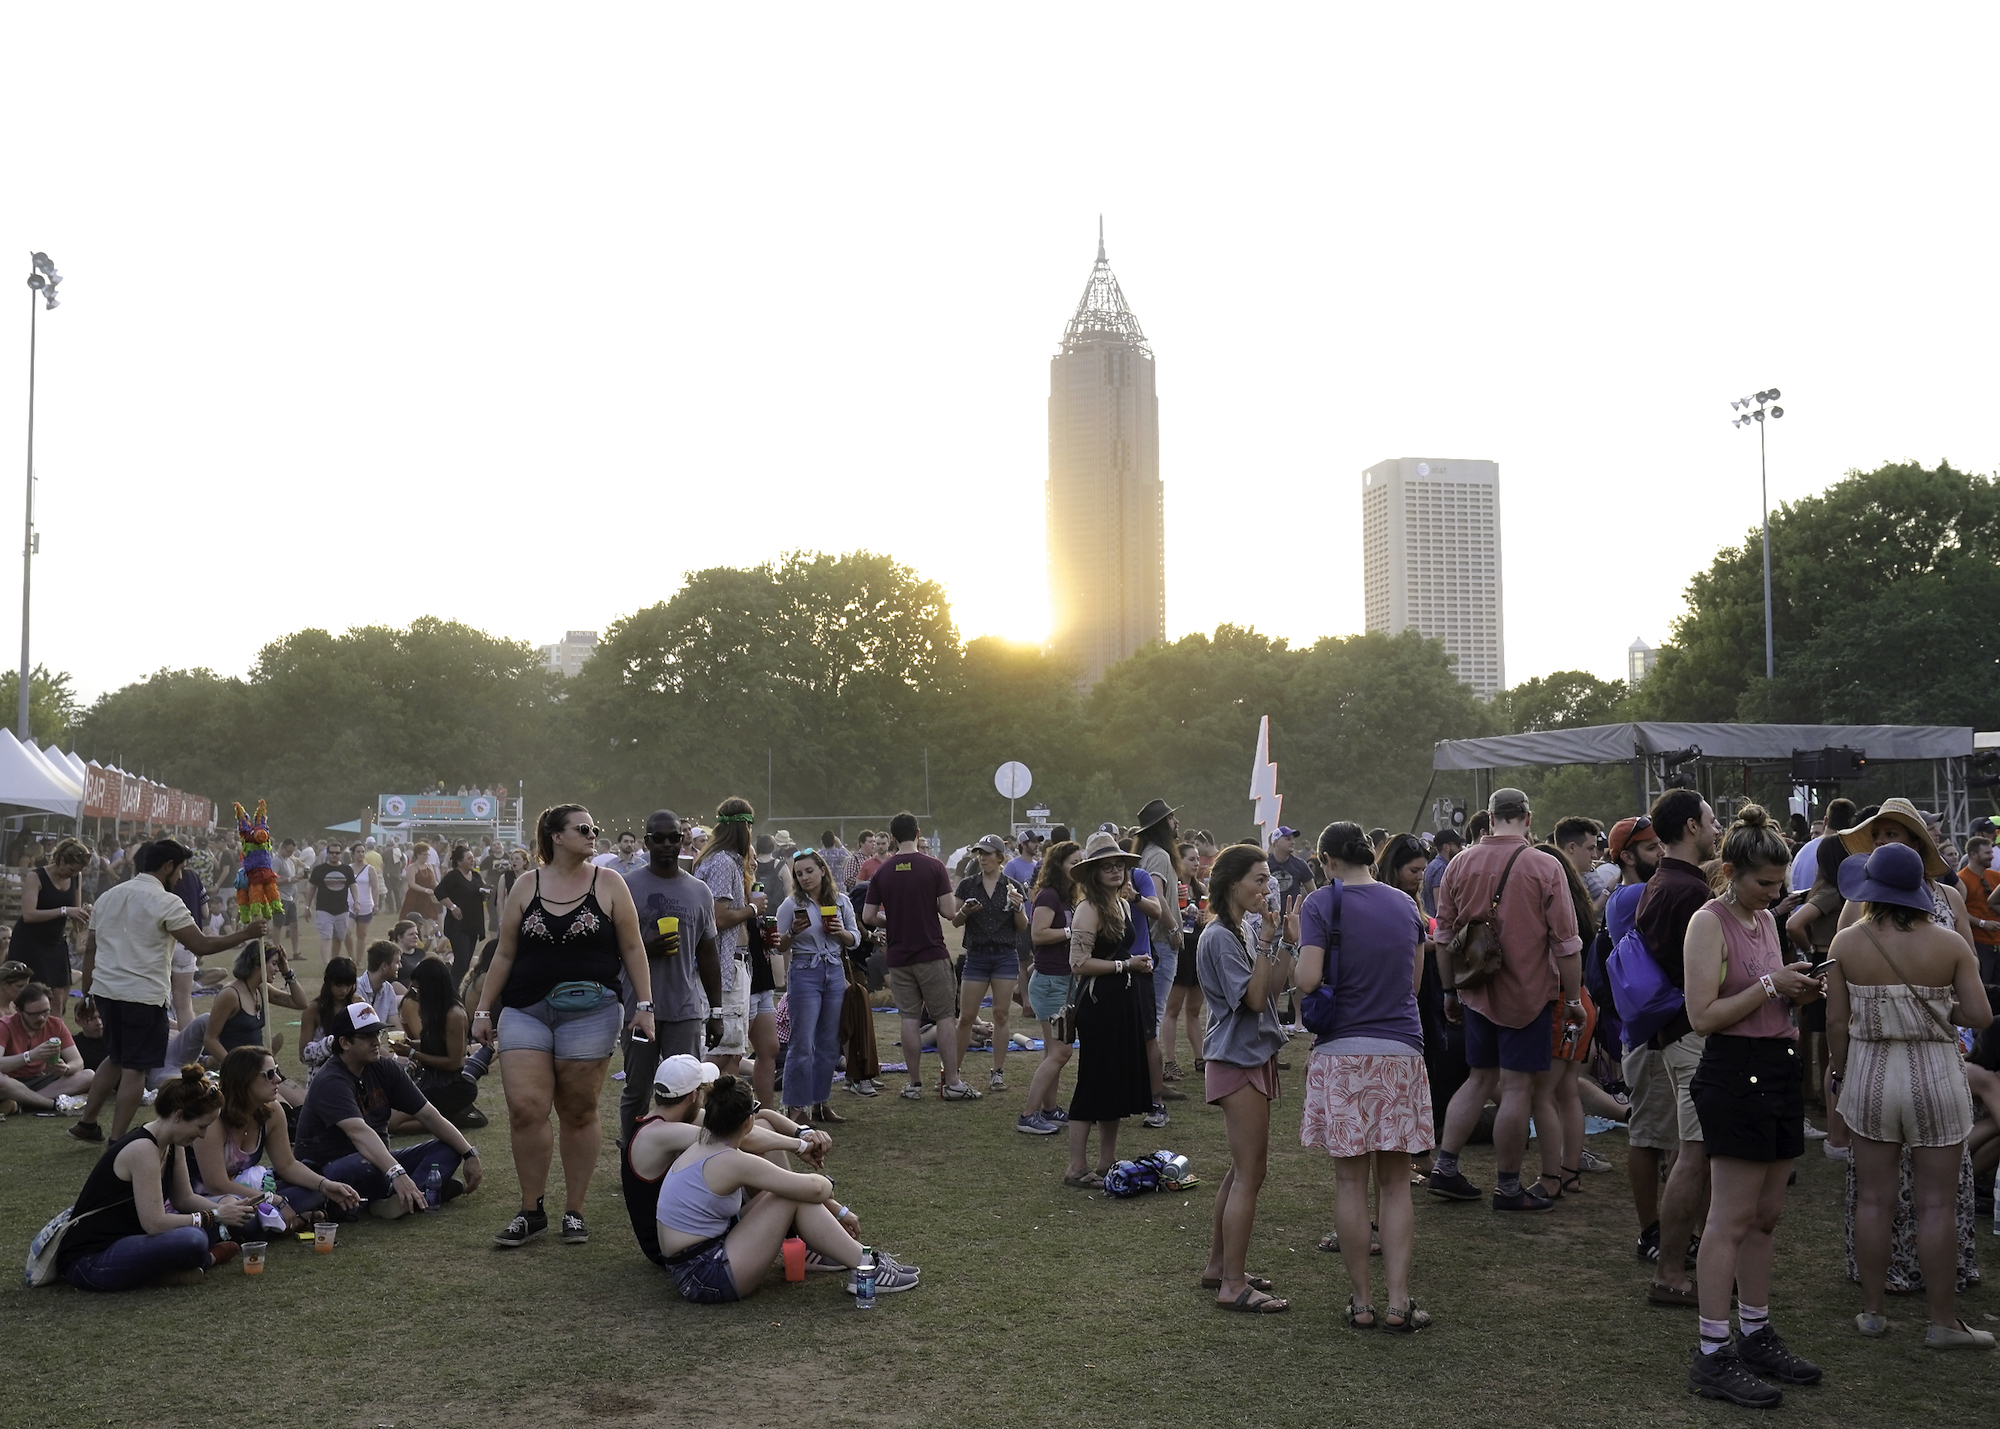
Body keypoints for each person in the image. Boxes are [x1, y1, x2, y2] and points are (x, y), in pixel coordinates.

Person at [1681, 806, 1826, 1407]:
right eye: (1764, 882)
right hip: (1735, 1072)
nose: (1774, 892)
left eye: (1779, 881)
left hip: (1778, 1066)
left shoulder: (1764, 919)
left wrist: (1794, 988)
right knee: (1730, 1219)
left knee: (1765, 1216)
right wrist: (1771, 986)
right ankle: (1713, 1351)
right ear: (1732, 872)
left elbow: (1761, 996)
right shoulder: (1708, 921)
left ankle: (1756, 1332)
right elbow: (1702, 1016)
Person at [1829, 840, 1994, 1348]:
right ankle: (1942, 1322)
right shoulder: (1950, 945)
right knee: (1937, 1205)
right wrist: (1940, 1008)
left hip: (1870, 1073)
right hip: (1936, 1076)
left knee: (1873, 1200)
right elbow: (1980, 1015)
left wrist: (1840, 1070)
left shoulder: (1846, 944)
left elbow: (1836, 1021)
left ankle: (1873, 1312)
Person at [474, 804, 654, 1248]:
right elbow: (504, 953)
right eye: (583, 828)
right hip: (525, 1009)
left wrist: (645, 1005)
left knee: (577, 1109)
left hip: (592, 1012)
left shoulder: (609, 883)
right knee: (525, 1108)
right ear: (556, 836)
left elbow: (633, 947)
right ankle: (531, 1210)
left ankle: (575, 1210)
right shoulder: (526, 885)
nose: (593, 834)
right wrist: (482, 1009)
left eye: (595, 828)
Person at [1298, 823, 1432, 1330]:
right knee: (1396, 1183)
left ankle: (1361, 1302)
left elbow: (1308, 979)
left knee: (1350, 1181)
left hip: (1342, 1052)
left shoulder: (1319, 904)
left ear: (1327, 860)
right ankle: (1399, 1302)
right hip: (1399, 1048)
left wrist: (1291, 947)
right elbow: (1413, 984)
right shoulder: (1405, 905)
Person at [1427, 789, 1582, 1212]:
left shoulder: (1459, 863)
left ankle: (1445, 1166)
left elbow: (1444, 936)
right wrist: (1573, 999)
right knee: (1516, 1088)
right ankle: (1508, 1187)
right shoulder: (1544, 865)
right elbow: (1566, 944)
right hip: (1528, 995)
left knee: (1478, 1079)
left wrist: (1449, 991)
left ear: (1490, 818)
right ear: (1528, 818)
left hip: (1476, 990)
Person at [69, 839, 268, 1143]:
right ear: (167, 866)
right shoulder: (167, 902)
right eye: (180, 870)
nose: (181, 876)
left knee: (116, 1058)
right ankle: (117, 1141)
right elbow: (201, 944)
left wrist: (86, 994)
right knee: (135, 1068)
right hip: (143, 997)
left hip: (106, 992)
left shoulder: (108, 897)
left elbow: (91, 949)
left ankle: (87, 1123)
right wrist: (246, 934)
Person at [655, 1073, 918, 1301]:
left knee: (786, 1191)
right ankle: (866, 1265)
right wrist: (827, 1185)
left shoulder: (706, 1145)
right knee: (790, 1195)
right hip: (703, 1275)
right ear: (747, 1121)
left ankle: (860, 1260)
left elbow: (767, 1143)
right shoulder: (730, 1161)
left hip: (691, 1265)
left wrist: (803, 1151)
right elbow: (815, 1189)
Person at [1637, 788, 1726, 1306]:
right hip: (1692, 1034)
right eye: (1711, 820)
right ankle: (1670, 1274)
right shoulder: (1690, 892)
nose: (1717, 829)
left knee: (1694, 1153)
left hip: (1673, 1032)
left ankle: (1702, 1263)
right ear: (1692, 826)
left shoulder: (1661, 881)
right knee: (1694, 1155)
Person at [1197, 842, 1294, 1314]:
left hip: (1248, 1055)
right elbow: (1254, 1001)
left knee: (1242, 1171)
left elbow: (1272, 990)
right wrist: (1266, 943)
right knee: (1250, 1173)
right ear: (1233, 883)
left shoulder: (1241, 929)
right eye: (1259, 879)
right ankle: (1232, 1285)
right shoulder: (1219, 936)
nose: (1266, 887)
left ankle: (1220, 1267)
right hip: (1236, 1060)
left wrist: (1284, 941)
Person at [54, 1065, 256, 1290]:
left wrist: (227, 1211)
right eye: (201, 1126)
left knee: (209, 1225)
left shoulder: (172, 1144)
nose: (203, 1135)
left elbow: (185, 1199)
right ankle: (207, 1259)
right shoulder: (143, 1149)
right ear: (178, 1115)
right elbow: (155, 1223)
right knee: (193, 1239)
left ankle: (170, 1270)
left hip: (131, 1240)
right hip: (91, 1260)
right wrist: (215, 1214)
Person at [293, 1001, 483, 1218]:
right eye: (367, 1036)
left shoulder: (385, 1068)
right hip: (333, 1169)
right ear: (344, 1043)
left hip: (379, 1161)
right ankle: (411, 1193)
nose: (376, 1042)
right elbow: (359, 1133)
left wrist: (469, 1153)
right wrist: (396, 1172)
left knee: (450, 1148)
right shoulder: (331, 1080)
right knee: (363, 1164)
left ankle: (400, 1198)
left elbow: (429, 1115)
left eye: (377, 1034)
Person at [617, 809, 723, 1144]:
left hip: (684, 1009)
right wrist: (645, 947)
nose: (667, 844)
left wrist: (716, 1011)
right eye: (659, 838)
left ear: (683, 840)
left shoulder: (699, 891)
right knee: (638, 1090)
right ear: (647, 842)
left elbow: (708, 953)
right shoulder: (626, 886)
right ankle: (633, 1156)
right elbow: (609, 947)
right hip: (639, 1008)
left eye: (674, 837)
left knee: (689, 1091)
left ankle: (684, 1158)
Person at [1060, 832, 1154, 1187]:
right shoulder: (1089, 908)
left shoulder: (1123, 904)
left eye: (1119, 865)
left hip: (1122, 1002)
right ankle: (1076, 1166)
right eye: (1107, 866)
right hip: (1098, 1005)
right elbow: (1078, 963)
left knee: (1115, 1083)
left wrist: (1135, 965)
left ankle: (1106, 1160)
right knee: (1093, 1082)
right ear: (1093, 873)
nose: (1116, 871)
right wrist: (1124, 965)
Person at [865, 812, 979, 1102]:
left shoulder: (882, 872)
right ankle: (951, 1082)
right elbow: (949, 912)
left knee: (909, 1019)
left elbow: (868, 916)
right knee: (945, 1017)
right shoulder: (934, 866)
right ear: (918, 834)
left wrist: (893, 920)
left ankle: (913, 1084)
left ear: (892, 838)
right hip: (931, 953)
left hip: (899, 956)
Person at [192, 1045, 361, 1227]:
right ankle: (289, 1220)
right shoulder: (214, 1120)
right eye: (269, 1074)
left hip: (248, 1191)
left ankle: (279, 1221)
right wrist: (273, 1199)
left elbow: (287, 1165)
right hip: (207, 1199)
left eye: (277, 1071)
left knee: (316, 1192)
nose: (278, 1079)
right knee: (247, 1219)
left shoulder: (271, 1112)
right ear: (244, 1079)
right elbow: (217, 1185)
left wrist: (325, 1184)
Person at [776, 847, 859, 1124]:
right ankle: (795, 1108)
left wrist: (841, 932)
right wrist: (792, 932)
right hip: (804, 971)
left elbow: (855, 939)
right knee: (802, 1043)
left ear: (823, 870)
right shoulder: (790, 905)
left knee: (829, 1043)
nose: (804, 878)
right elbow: (778, 946)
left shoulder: (841, 902)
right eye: (799, 874)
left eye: (809, 871)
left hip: (834, 970)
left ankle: (821, 1104)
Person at [694, 798, 766, 1079]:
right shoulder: (723, 861)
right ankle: (690, 1091)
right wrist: (753, 909)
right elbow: (719, 917)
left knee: (734, 1051)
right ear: (745, 827)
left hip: (736, 964)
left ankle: (726, 1105)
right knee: (723, 1049)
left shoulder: (724, 860)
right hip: (724, 966)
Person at [950, 835, 1028, 1092]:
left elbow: (1023, 926)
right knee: (966, 1017)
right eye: (980, 853)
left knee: (1001, 1014)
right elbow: (955, 921)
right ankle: (953, 1072)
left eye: (987, 853)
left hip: (1005, 955)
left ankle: (997, 1072)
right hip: (977, 956)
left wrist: (1018, 908)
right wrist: (965, 911)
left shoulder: (1013, 887)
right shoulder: (968, 885)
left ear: (999, 857)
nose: (982, 858)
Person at [1133, 799, 1188, 1108]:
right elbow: (1154, 896)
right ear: (1161, 825)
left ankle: (1146, 1079)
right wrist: (1173, 928)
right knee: (1153, 1016)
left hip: (1148, 941)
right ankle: (1152, 1084)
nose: (1176, 822)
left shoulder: (1147, 854)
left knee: (1148, 1015)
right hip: (1160, 943)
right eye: (1171, 818)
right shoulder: (1159, 855)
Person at [204, 943, 308, 1103]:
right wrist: (234, 1067)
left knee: (305, 1103)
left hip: (265, 1069)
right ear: (257, 964)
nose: (277, 969)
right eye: (274, 964)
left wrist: (287, 972)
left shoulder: (261, 990)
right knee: (284, 1110)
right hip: (244, 1074)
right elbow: (209, 1039)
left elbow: (301, 1003)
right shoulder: (230, 994)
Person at [398, 957, 486, 1127]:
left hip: (450, 1086)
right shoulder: (435, 1010)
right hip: (432, 1079)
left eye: (419, 989)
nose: (416, 994)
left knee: (396, 1124)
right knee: (392, 1114)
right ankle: (448, 1115)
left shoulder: (454, 1014)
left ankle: (454, 1120)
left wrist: (412, 1053)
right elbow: (438, 1046)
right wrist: (412, 1044)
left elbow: (454, 1062)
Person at [11, 836, 91, 1005]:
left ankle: (55, 1023)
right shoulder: (36, 876)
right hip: (30, 942)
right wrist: (63, 911)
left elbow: (75, 915)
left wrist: (84, 913)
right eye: (71, 869)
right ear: (61, 860)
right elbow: (28, 915)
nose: (72, 874)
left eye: (77, 871)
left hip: (55, 942)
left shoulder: (75, 877)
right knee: (28, 993)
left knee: (58, 994)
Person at [0, 981, 93, 1112]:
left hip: (41, 1081)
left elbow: (77, 1062)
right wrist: (30, 1056)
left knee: (89, 1075)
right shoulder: (5, 1026)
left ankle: (22, 1104)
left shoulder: (56, 1024)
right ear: (19, 1011)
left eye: (45, 1011)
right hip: (11, 1081)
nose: (41, 1018)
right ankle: (52, 1104)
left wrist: (66, 1069)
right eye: (34, 1014)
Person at [1957, 834, 2000, 985]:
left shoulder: (1996, 877)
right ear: (1973, 855)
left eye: (1991, 852)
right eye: (1987, 853)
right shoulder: (1961, 880)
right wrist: (1982, 923)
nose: (1992, 856)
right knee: (1983, 986)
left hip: (1997, 942)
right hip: (1978, 943)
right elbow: (1958, 912)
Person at [308, 845, 354, 956]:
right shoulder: (319, 870)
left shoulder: (347, 869)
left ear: (341, 854)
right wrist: (307, 906)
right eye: (332, 852)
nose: (334, 855)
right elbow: (311, 888)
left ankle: (334, 961)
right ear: (327, 854)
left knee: (338, 938)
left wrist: (357, 901)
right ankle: (327, 963)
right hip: (323, 909)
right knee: (326, 937)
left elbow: (353, 886)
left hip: (342, 909)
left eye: (337, 853)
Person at [347, 842, 385, 953]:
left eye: (363, 852)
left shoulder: (370, 869)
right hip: (349, 904)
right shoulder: (348, 868)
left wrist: (376, 905)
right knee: (347, 932)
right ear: (353, 854)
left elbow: (375, 888)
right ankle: (351, 956)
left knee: (362, 935)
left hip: (366, 905)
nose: (361, 854)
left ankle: (358, 960)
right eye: (358, 852)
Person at [1419, 829, 1462, 919]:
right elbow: (1440, 905)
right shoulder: (1441, 868)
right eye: (1458, 845)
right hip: (1437, 923)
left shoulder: (1434, 865)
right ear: (1446, 847)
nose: (1460, 849)